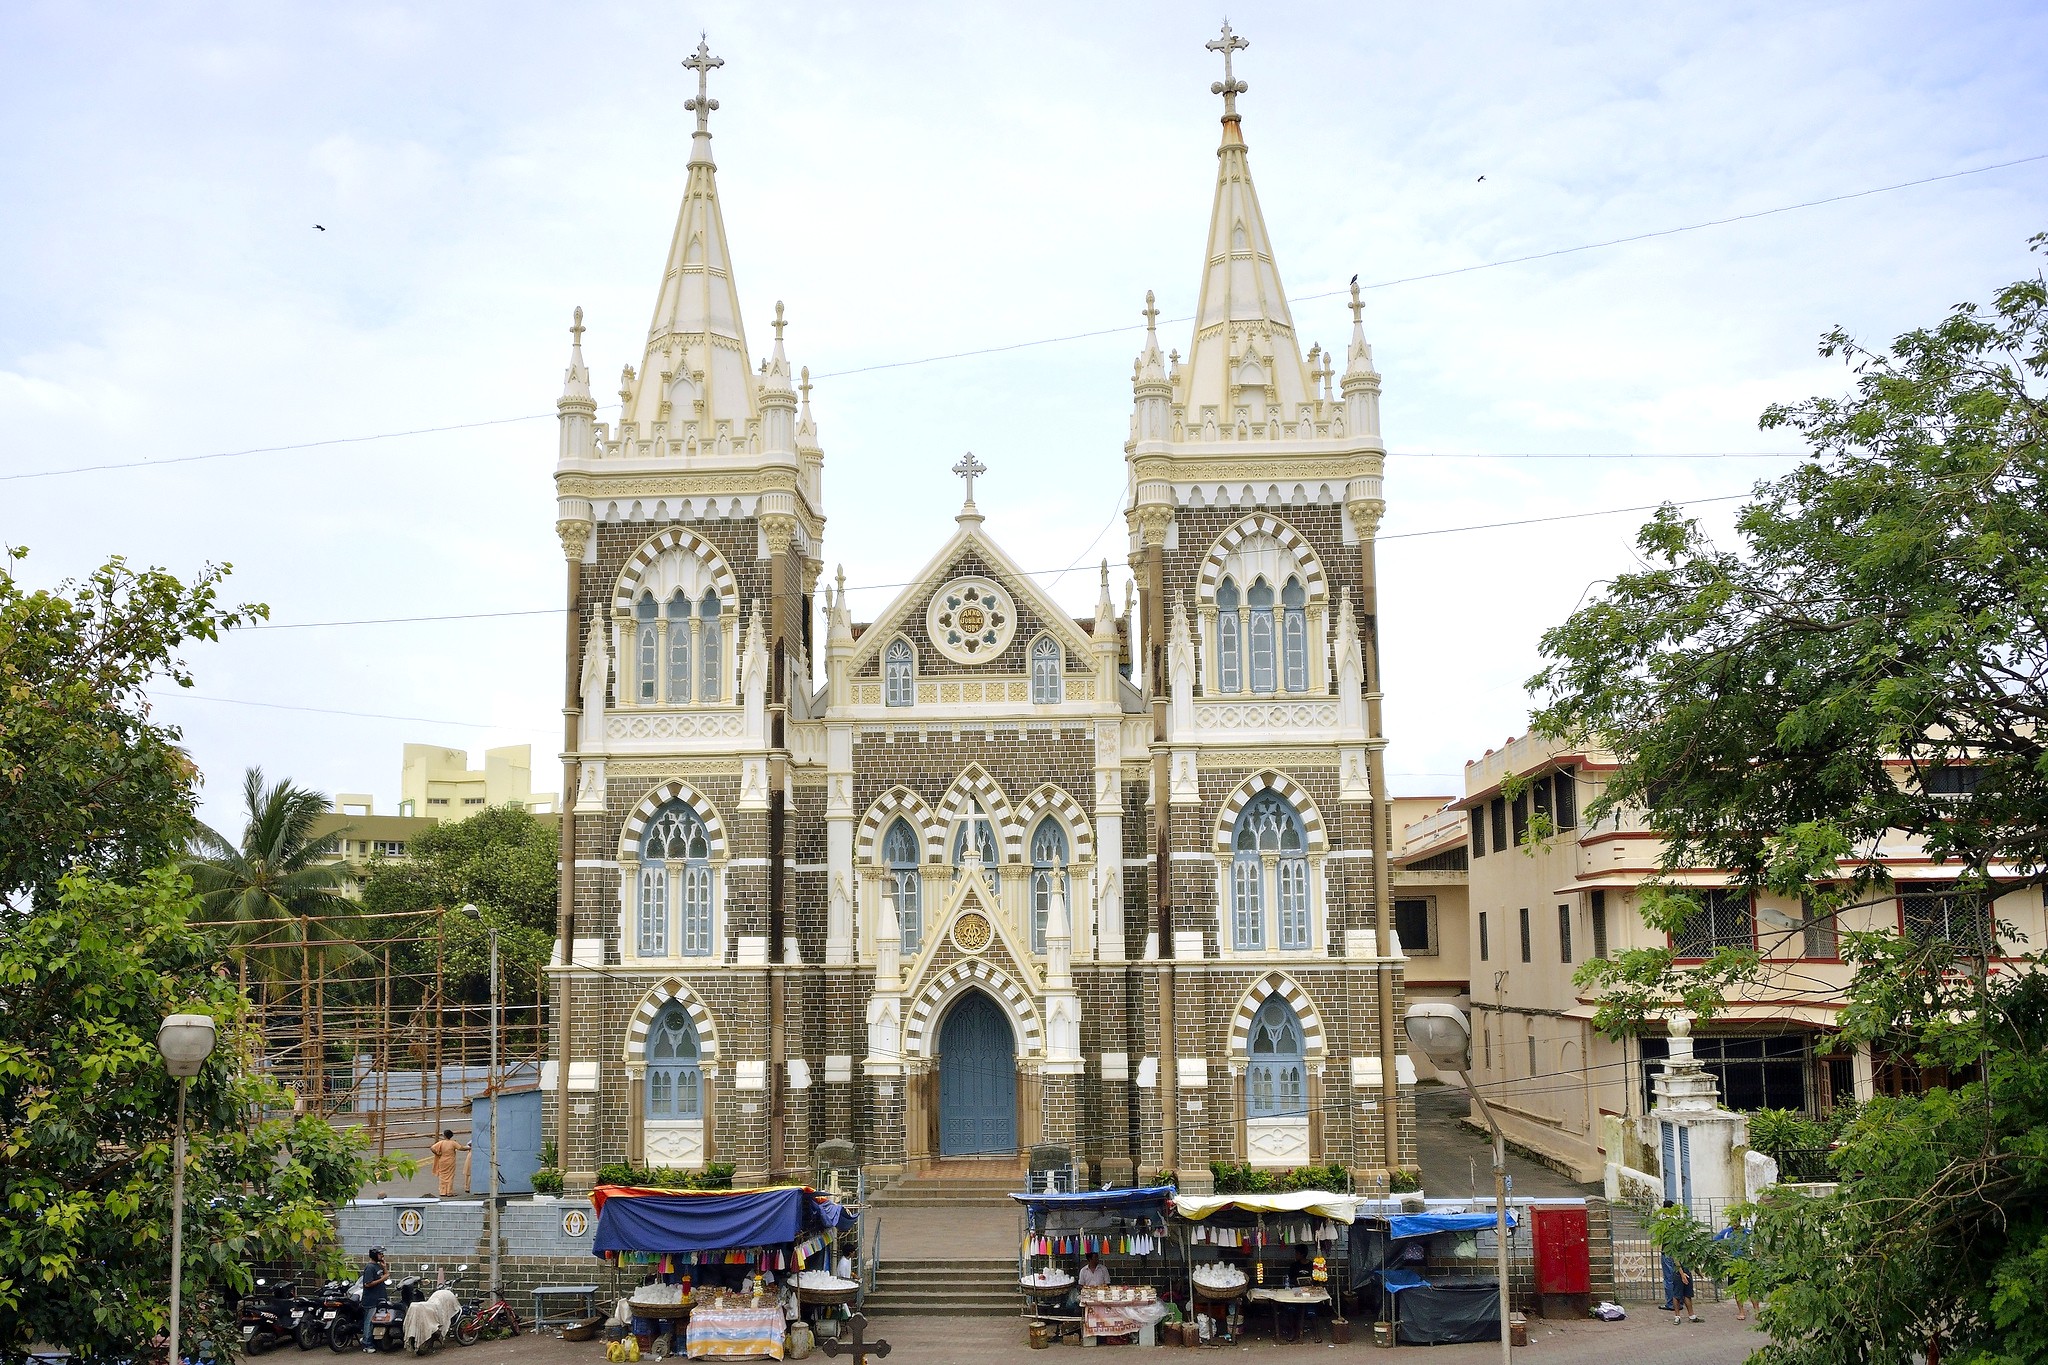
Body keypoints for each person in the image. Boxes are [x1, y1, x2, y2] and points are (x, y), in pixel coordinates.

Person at [360, 1247, 389, 1351]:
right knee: (369, 1322)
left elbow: (386, 1276)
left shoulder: (377, 1266)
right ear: (374, 1255)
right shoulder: (370, 1267)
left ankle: (372, 1341)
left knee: (376, 1321)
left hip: (379, 1298)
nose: (382, 1256)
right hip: (371, 1299)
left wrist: (384, 1267)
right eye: (380, 1254)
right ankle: (367, 1344)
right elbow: (367, 1284)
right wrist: (382, 1279)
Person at [429, 1129, 471, 1198]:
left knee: (442, 1176)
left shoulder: (441, 1142)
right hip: (450, 1161)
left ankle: (442, 1192)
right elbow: (461, 1148)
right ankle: (449, 1192)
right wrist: (469, 1147)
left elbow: (432, 1148)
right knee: (450, 1176)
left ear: (444, 1136)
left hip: (442, 1160)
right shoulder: (453, 1143)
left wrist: (437, 1153)